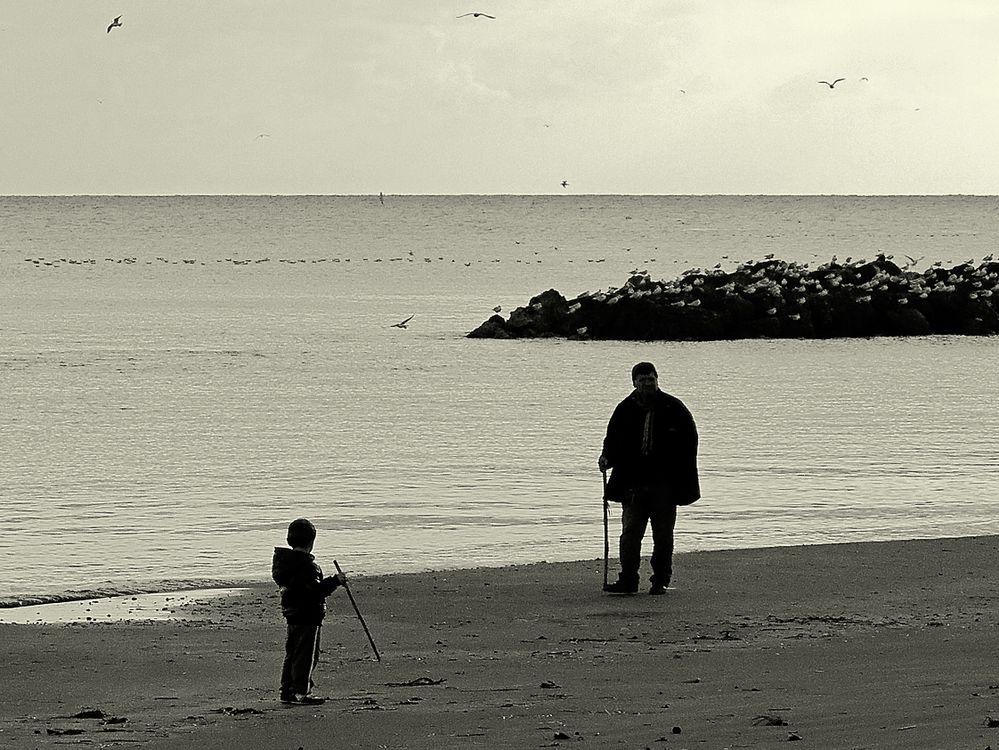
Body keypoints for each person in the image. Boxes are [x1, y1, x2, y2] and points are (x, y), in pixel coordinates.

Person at [598, 362, 700, 595]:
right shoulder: (624, 409)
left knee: (663, 534)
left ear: (657, 379)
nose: (647, 383)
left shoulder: (674, 407)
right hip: (632, 483)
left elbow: (690, 441)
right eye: (642, 379)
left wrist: (682, 475)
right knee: (630, 533)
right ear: (634, 382)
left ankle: (660, 580)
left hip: (665, 484)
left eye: (650, 379)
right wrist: (606, 458)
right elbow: (612, 440)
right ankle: (628, 579)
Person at [272, 518, 345, 705]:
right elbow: (315, 591)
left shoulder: (284, 563)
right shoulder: (306, 566)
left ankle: (287, 691)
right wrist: (335, 581)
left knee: (293, 652)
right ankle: (300, 692)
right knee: (306, 654)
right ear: (311, 542)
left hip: (292, 612)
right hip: (308, 614)